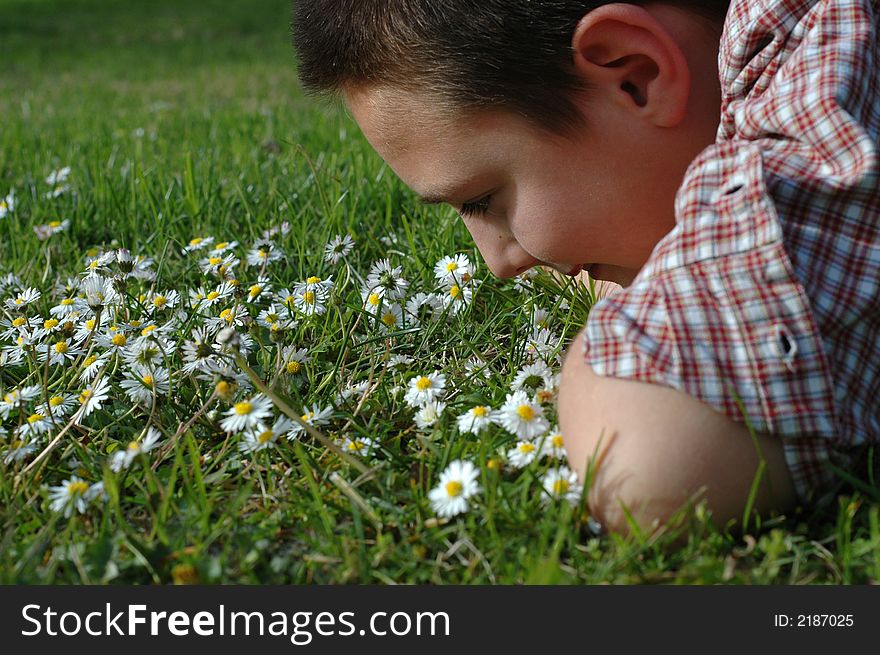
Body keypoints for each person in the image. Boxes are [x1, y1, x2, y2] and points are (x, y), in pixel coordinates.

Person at [292, 0, 880, 537]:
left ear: (635, 77)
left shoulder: (821, 47)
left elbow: (649, 464)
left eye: (485, 200)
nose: (499, 264)